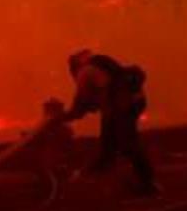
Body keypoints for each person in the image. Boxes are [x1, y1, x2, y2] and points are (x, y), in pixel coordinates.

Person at [53, 49, 158, 194]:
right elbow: (98, 97)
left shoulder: (84, 73)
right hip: (132, 103)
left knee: (127, 145)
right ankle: (99, 176)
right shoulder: (102, 67)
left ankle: (148, 185)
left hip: (120, 108)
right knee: (110, 145)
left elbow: (80, 106)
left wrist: (59, 118)